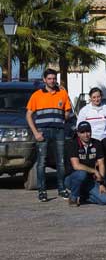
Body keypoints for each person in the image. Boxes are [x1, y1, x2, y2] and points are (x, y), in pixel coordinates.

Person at [26, 68, 73, 201]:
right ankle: (42, 191)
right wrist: (35, 133)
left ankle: (62, 189)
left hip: (59, 131)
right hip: (43, 132)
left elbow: (67, 113)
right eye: (49, 78)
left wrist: (63, 115)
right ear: (44, 80)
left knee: (61, 162)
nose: (52, 81)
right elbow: (28, 115)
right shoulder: (37, 95)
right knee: (41, 162)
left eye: (54, 78)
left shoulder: (62, 93)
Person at [64, 122, 106, 206]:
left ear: (91, 131)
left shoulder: (97, 143)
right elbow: (76, 166)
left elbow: (101, 164)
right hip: (72, 179)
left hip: (89, 180)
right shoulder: (72, 144)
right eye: (82, 132)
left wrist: (101, 183)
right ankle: (73, 197)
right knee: (81, 173)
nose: (86, 135)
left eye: (88, 131)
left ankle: (82, 196)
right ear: (78, 134)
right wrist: (94, 171)